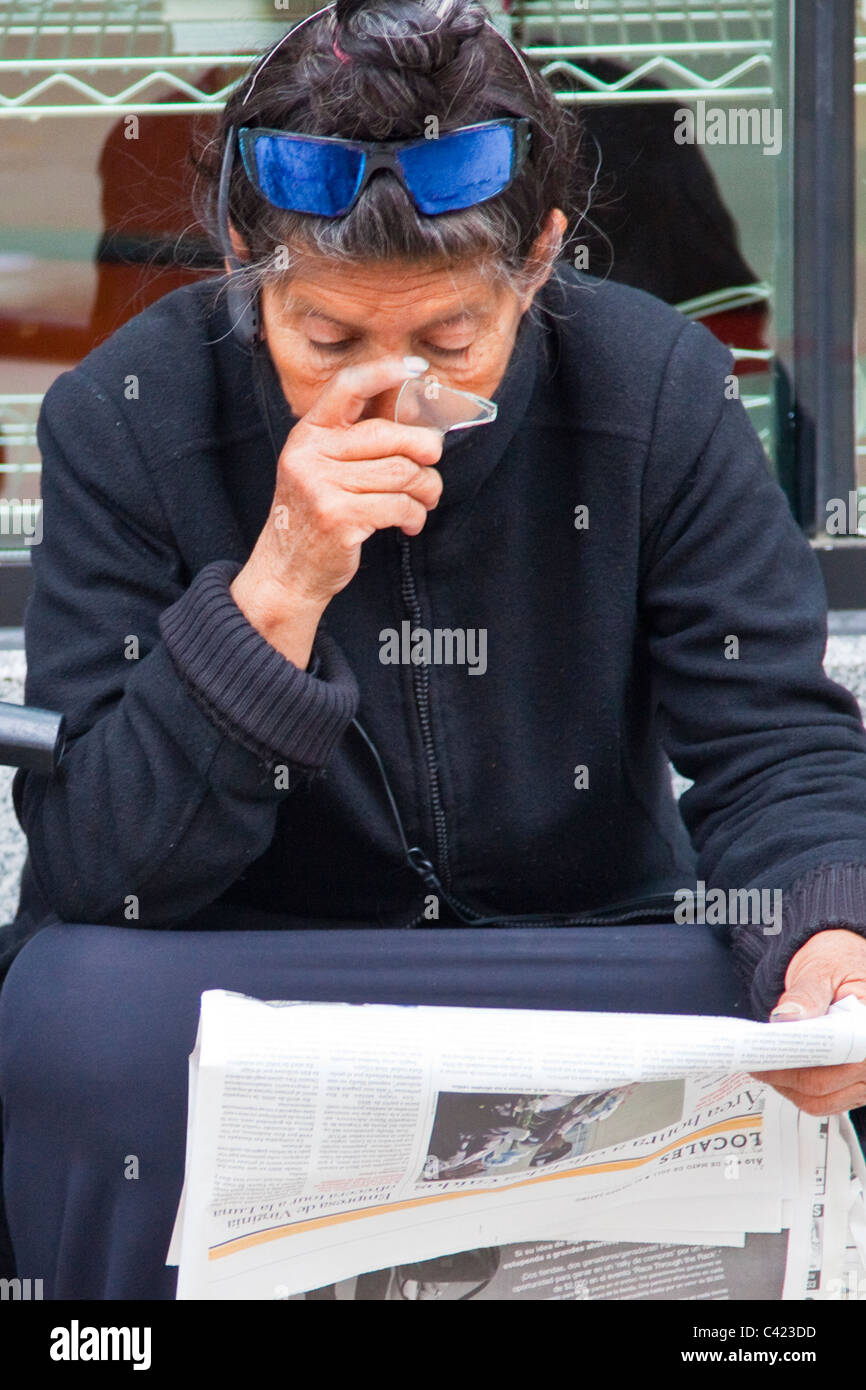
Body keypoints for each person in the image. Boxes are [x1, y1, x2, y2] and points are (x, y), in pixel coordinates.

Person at [2, 0, 866, 1301]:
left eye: (450, 341)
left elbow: (774, 741)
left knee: (826, 1009)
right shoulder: (126, 415)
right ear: (245, 259)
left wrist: (823, 939)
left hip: (587, 945)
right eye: (328, 341)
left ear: (538, 265)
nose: (395, 388)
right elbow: (98, 861)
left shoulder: (654, 386)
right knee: (75, 1011)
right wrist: (276, 585)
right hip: (253, 969)